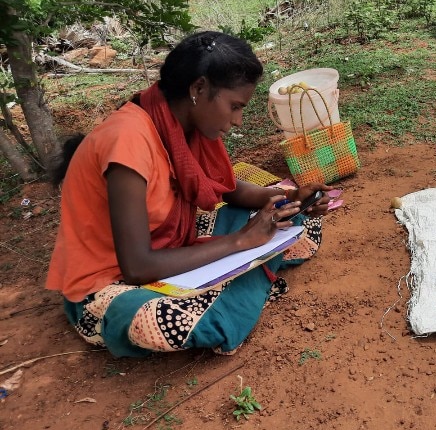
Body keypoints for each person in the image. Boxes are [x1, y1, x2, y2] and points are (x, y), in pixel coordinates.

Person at [46, 31, 332, 358]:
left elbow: (227, 188)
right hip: (110, 280)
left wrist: (291, 196)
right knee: (174, 321)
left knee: (292, 223)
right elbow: (137, 267)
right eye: (235, 106)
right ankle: (244, 284)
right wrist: (239, 241)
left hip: (170, 243)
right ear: (198, 89)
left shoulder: (178, 121)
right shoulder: (128, 141)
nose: (237, 121)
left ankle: (242, 284)